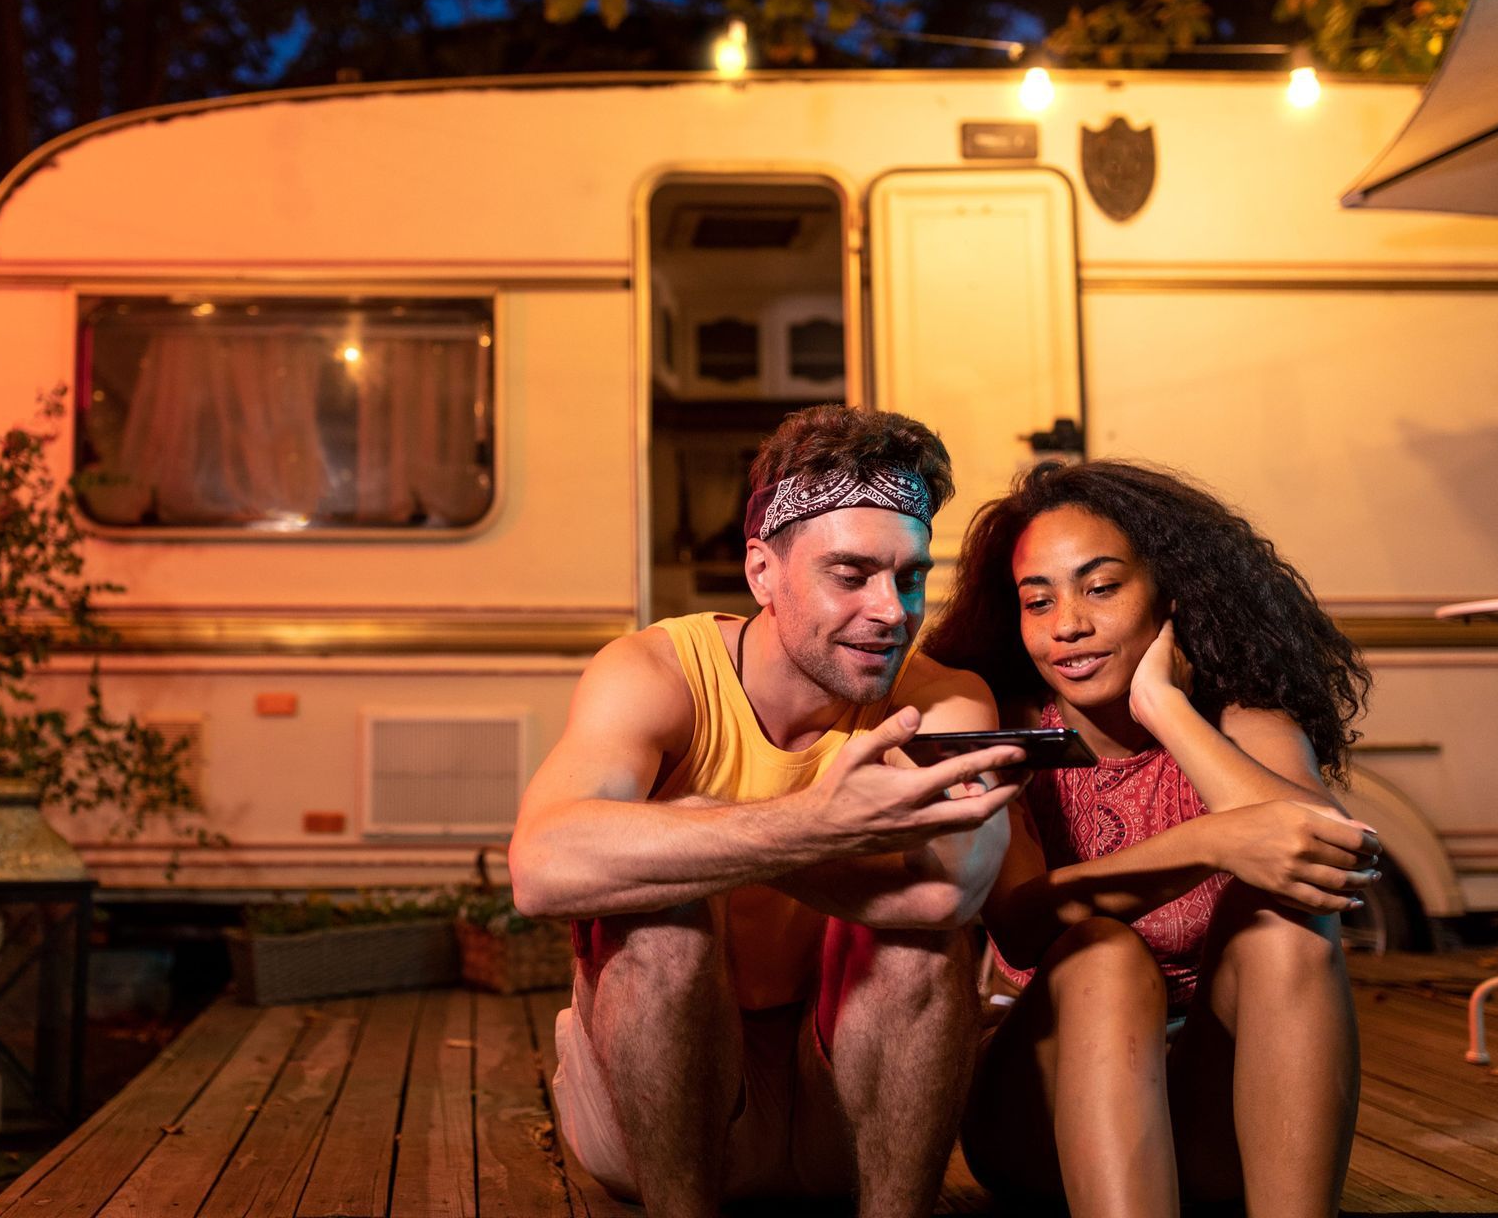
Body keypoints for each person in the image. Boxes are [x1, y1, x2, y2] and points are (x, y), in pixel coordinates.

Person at [508, 404, 1026, 1218]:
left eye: (911, 575)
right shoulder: (656, 673)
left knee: (923, 944)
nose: (892, 610)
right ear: (762, 573)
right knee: (661, 921)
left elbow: (948, 894)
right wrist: (817, 824)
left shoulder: (945, 698)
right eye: (850, 575)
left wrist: (706, 831)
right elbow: (541, 868)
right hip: (658, 1120)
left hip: (853, 1120)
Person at [921, 459, 1377, 1218]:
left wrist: (1168, 711)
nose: (1069, 623)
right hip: (1044, 1110)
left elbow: (1330, 852)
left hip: (1211, 1112)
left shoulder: (1237, 717)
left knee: (1287, 919)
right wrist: (1210, 844)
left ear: (1169, 595)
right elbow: (1021, 924)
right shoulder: (1011, 734)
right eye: (1039, 601)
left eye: (1100, 587)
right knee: (1102, 952)